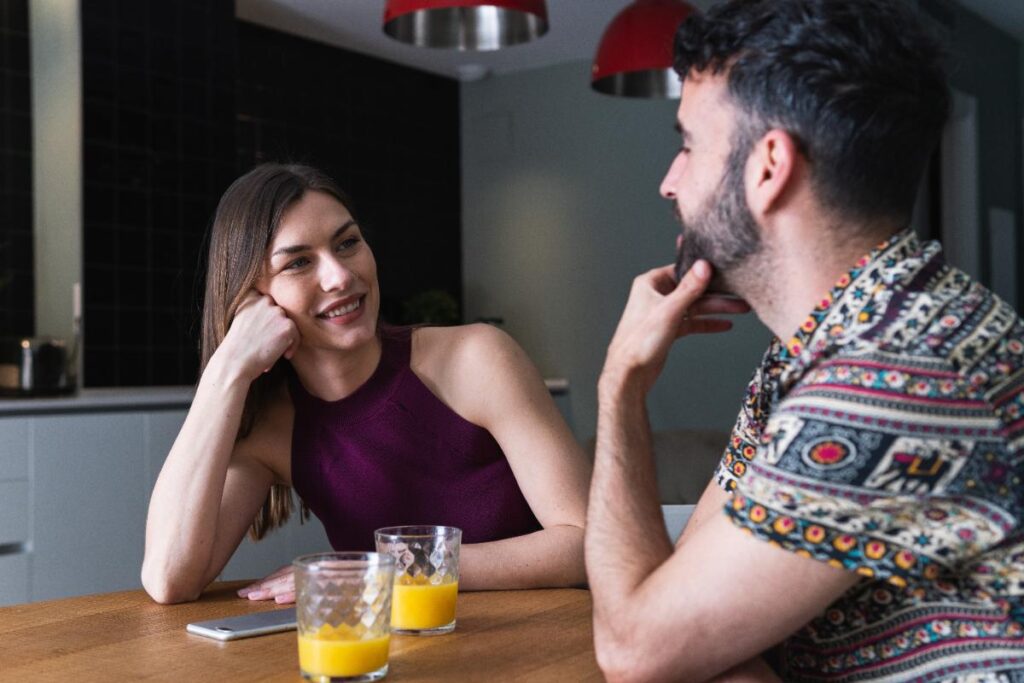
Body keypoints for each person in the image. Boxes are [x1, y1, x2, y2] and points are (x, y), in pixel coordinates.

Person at [586, 0, 1024, 681]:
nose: (668, 182)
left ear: (768, 169)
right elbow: (681, 601)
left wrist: (620, 389)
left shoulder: (893, 372)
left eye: (688, 145)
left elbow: (636, 648)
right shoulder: (820, 348)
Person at [142, 163, 590, 605]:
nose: (339, 276)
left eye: (348, 243)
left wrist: (389, 571)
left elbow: (586, 543)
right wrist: (227, 370)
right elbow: (169, 579)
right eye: (298, 262)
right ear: (253, 301)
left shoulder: (478, 359)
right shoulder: (273, 433)